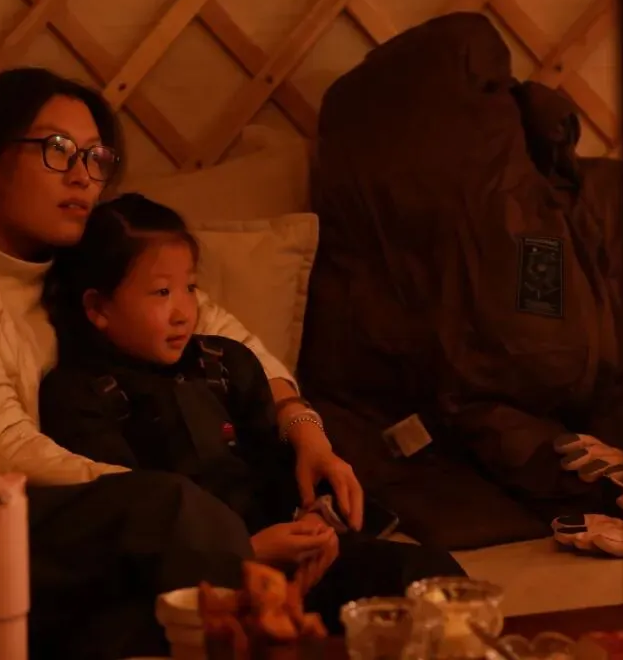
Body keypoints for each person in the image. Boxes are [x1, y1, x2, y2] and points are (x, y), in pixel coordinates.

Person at [0, 67, 352, 658]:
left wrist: (303, 427)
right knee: (173, 513)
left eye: (95, 157)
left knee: (326, 575)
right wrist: (213, 531)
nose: (82, 175)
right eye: (56, 149)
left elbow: (217, 328)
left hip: (42, 528)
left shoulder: (69, 259)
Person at [38, 193, 466, 632]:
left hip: (287, 556)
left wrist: (315, 519)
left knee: (428, 576)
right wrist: (248, 552)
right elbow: (130, 526)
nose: (183, 312)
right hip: (189, 584)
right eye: (162, 292)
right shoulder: (78, 394)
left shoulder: (226, 363)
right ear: (98, 308)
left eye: (190, 288)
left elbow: (276, 463)